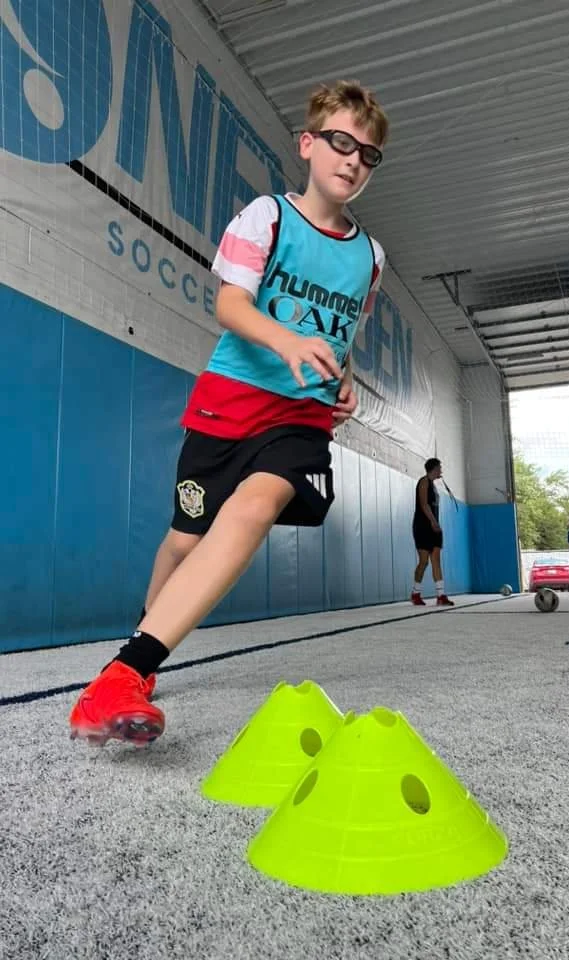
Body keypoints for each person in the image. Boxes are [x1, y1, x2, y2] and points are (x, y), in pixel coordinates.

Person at [69, 80, 389, 746]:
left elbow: (342, 340)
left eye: (367, 152)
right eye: (339, 141)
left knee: (256, 505)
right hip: (228, 405)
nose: (352, 159)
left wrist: (346, 384)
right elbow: (231, 307)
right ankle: (144, 638)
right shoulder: (266, 217)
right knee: (185, 540)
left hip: (301, 417)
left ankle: (125, 672)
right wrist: (289, 340)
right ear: (308, 145)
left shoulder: (371, 258)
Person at [410, 458, 454, 607]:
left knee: (436, 559)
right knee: (424, 561)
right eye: (440, 468)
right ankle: (415, 593)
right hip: (423, 526)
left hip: (434, 526)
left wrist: (436, 523)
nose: (441, 470)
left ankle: (441, 595)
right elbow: (423, 504)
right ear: (434, 468)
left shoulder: (434, 487)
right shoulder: (423, 482)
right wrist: (433, 522)